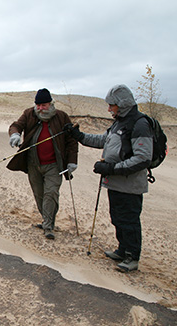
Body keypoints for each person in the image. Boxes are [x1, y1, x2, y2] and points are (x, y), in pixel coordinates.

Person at [64, 84, 153, 272]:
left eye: (111, 105)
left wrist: (110, 168)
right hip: (115, 183)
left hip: (130, 185)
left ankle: (132, 257)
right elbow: (102, 141)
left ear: (121, 104)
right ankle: (122, 250)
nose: (109, 109)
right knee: (117, 218)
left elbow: (143, 158)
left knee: (129, 220)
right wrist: (78, 136)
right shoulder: (119, 122)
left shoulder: (139, 123)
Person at [7, 88, 79, 240]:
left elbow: (72, 141)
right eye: (38, 105)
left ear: (51, 104)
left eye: (43, 105)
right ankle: (47, 219)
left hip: (54, 165)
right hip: (33, 164)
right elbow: (16, 125)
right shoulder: (29, 114)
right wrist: (15, 134)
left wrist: (72, 162)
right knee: (39, 195)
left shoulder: (61, 117)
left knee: (51, 194)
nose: (40, 108)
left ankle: (48, 226)